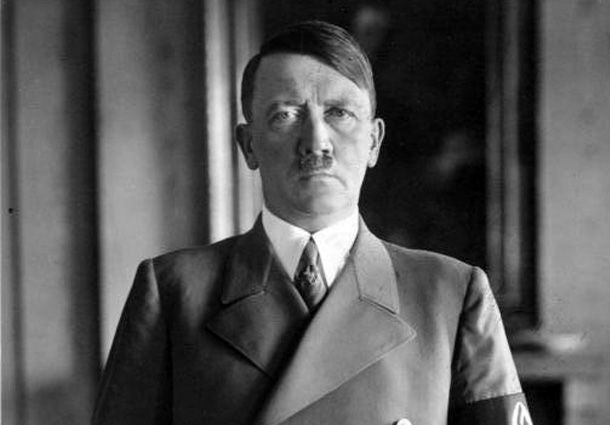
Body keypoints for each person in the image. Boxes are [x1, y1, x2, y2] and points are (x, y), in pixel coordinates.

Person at [92, 21, 532, 425]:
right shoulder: (174, 292)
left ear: (374, 141)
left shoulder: (451, 295)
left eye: (339, 113)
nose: (317, 142)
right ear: (248, 145)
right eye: (285, 115)